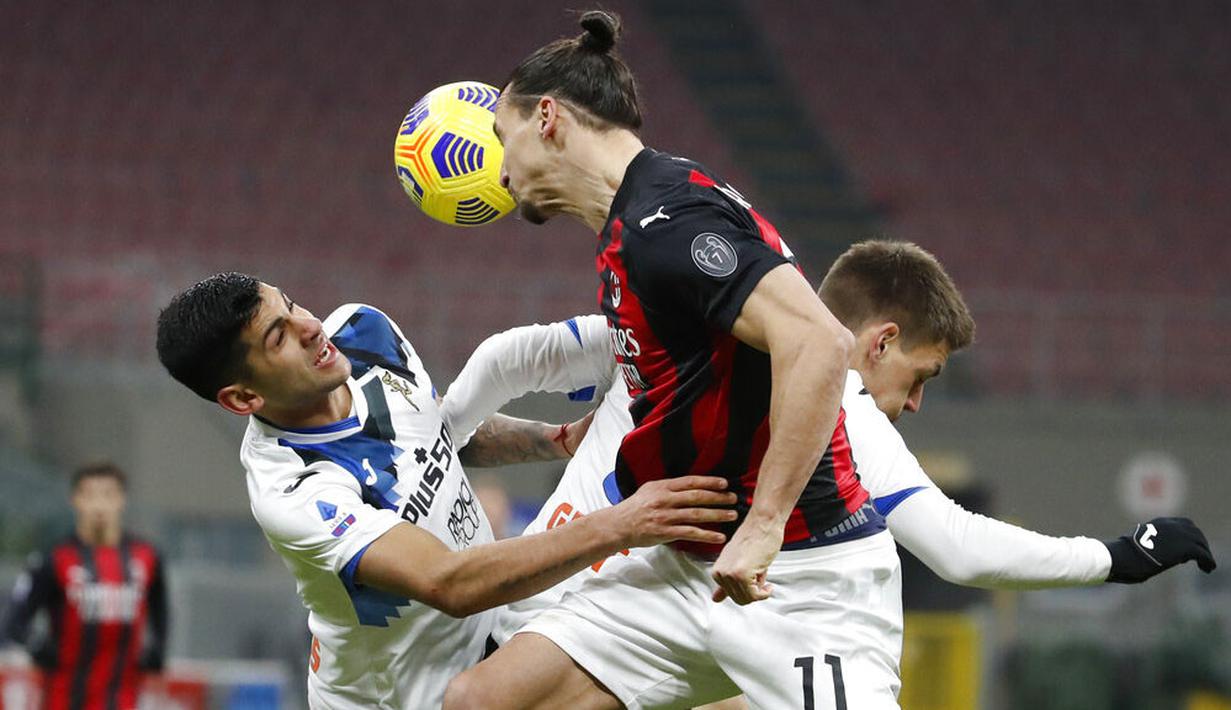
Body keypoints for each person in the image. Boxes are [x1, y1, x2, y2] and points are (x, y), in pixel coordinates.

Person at [443, 241, 1217, 708]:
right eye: (921, 375)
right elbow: (955, 547)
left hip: (525, 628)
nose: (914, 403)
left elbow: (517, 353)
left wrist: (447, 429)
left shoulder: (691, 329)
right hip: (596, 627)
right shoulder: (836, 401)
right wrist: (1115, 556)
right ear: (877, 342)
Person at [452, 10, 938, 708]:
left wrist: (764, 524)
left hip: (800, 577)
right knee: (482, 702)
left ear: (548, 118)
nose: (500, 168)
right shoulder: (637, 217)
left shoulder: (667, 222)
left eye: (504, 138)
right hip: (682, 570)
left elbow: (819, 342)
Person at [153, 272, 737, 709]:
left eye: (291, 303)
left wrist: (555, 440)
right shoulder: (297, 490)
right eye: (279, 337)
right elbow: (449, 584)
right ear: (244, 398)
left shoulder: (365, 332)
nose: (310, 327)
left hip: (499, 642)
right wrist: (624, 522)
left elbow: (436, 431)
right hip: (409, 696)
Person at [2, 462, 168, 710]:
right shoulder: (54, 559)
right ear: (76, 500)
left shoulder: (147, 557)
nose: (99, 505)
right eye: (90, 495)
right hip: (64, 699)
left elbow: (161, 608)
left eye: (108, 495)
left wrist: (158, 649)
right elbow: (14, 622)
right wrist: (38, 648)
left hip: (122, 699)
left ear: (122, 500)